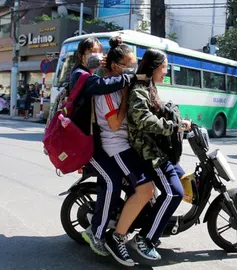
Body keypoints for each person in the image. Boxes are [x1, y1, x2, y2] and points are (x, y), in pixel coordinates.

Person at [66, 37, 142, 259]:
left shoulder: (90, 74)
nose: (97, 55)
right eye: (92, 52)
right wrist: (128, 76)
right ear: (81, 55)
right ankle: (96, 232)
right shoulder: (82, 77)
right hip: (86, 142)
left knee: (114, 179)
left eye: (100, 52)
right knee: (112, 180)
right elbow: (102, 85)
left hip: (96, 140)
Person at [92, 36, 155, 266]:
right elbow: (116, 125)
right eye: (128, 64)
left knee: (149, 186)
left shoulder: (120, 84)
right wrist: (127, 93)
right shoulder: (108, 90)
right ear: (116, 66)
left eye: (134, 63)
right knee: (146, 190)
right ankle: (116, 237)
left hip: (126, 144)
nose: (132, 68)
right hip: (116, 146)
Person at [128, 48, 191, 260]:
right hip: (147, 152)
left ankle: (157, 219)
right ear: (154, 67)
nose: (166, 72)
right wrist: (174, 126)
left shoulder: (149, 87)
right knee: (174, 193)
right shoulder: (139, 89)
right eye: (164, 67)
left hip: (157, 148)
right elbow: (144, 120)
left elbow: (159, 110)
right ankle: (145, 238)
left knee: (182, 177)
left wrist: (179, 120)